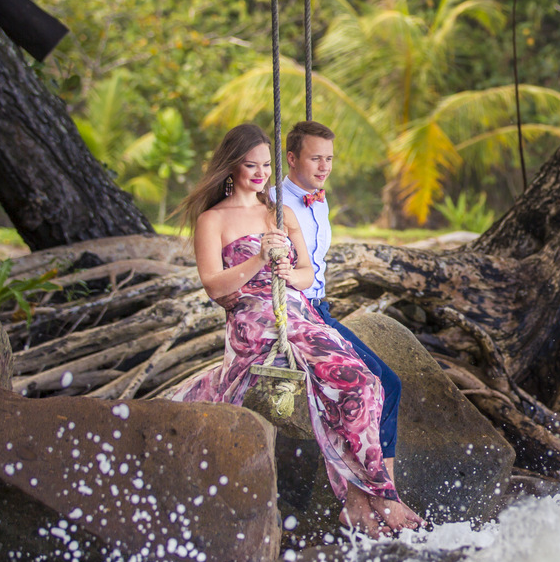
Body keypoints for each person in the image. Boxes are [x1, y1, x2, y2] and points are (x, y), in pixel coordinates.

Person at [166, 123, 422, 536]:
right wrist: (258, 262)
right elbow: (214, 286)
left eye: (266, 165)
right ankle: (375, 494)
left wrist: (287, 270)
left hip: (294, 309)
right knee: (346, 381)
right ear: (231, 167)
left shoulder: (278, 212)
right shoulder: (212, 220)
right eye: (251, 165)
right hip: (253, 317)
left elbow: (306, 274)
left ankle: (363, 499)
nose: (260, 173)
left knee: (365, 384)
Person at [273, 120, 405, 491]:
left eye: (329, 158)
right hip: (297, 314)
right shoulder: (272, 204)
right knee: (376, 384)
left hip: (322, 309)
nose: (324, 167)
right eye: (316, 158)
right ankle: (378, 491)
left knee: (389, 384)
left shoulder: (320, 198)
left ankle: (384, 487)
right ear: (292, 158)